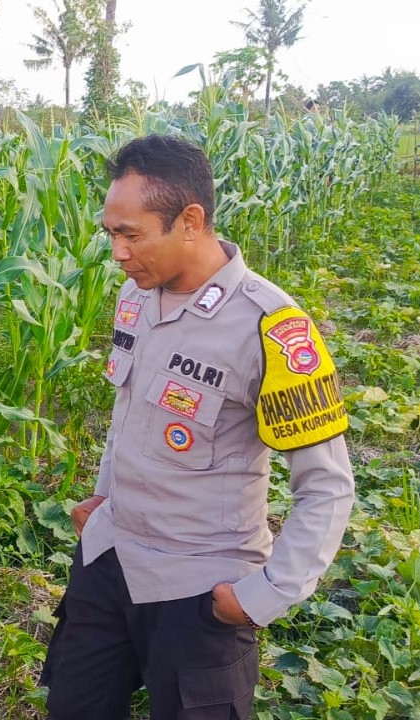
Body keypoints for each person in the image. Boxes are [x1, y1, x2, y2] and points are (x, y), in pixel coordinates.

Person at [40, 135, 356, 720]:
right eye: (112, 233)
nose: (117, 252)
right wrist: (105, 494)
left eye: (131, 235)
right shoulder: (134, 298)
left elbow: (327, 486)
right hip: (110, 558)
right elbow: (128, 407)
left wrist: (263, 596)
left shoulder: (271, 327)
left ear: (190, 220)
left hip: (199, 590)